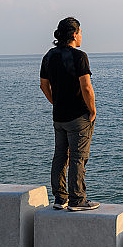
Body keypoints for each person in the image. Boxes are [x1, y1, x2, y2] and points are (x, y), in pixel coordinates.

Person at [40, 17, 100, 211]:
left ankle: (60, 198)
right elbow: (86, 87)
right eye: (80, 32)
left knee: (60, 156)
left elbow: (43, 85)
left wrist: (55, 102)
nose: (82, 36)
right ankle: (77, 200)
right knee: (78, 158)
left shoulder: (49, 56)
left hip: (59, 117)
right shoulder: (79, 56)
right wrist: (92, 110)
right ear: (74, 34)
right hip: (78, 117)